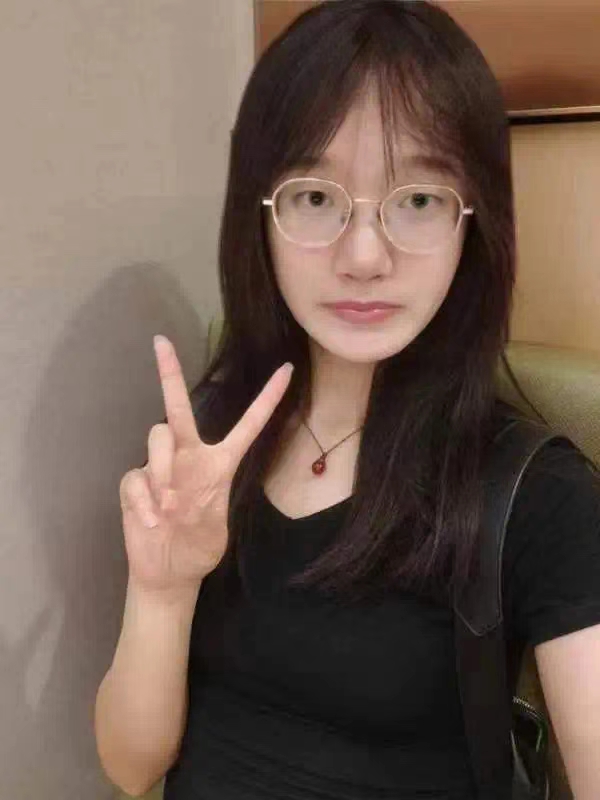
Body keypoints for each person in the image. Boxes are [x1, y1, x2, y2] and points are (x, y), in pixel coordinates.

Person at [94, 2, 600, 798]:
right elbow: (131, 768)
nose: (364, 255)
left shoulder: (535, 495)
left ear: (473, 223)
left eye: (419, 200)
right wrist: (162, 591)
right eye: (316, 198)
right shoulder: (211, 438)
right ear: (261, 215)